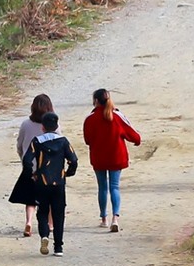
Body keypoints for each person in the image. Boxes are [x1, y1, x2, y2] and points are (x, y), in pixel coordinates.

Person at [82, 88, 142, 232]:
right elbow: (133, 135)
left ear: (95, 101)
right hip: (116, 157)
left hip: (99, 158)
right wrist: (137, 141)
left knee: (102, 187)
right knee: (114, 187)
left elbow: (87, 140)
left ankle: (104, 218)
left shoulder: (90, 119)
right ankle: (116, 217)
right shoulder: (117, 116)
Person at [23, 110, 78, 255]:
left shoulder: (37, 141)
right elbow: (73, 160)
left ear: (43, 127)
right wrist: (68, 173)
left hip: (42, 182)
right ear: (56, 125)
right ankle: (58, 247)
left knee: (42, 211)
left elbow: (27, 160)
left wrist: (32, 175)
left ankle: (45, 235)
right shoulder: (63, 141)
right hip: (58, 183)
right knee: (59, 214)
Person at [8, 94, 53, 237]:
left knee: (30, 198)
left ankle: (29, 222)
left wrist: (23, 159)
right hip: (48, 167)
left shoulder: (26, 124)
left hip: (30, 166)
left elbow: (20, 145)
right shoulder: (52, 124)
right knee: (51, 198)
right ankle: (50, 224)